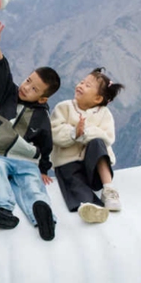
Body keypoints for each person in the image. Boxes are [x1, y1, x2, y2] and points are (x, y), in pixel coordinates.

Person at [0, 21, 62, 241]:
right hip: (0, 155)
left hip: (26, 160)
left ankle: (44, 215)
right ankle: (4, 209)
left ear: (42, 98)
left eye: (34, 89)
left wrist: (43, 169)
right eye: (28, 80)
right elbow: (3, 75)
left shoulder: (42, 117)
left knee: (32, 183)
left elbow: (46, 144)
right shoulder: (8, 96)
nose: (26, 87)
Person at [50, 67, 124, 224]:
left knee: (97, 143)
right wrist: (73, 133)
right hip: (68, 163)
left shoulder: (104, 114)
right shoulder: (63, 108)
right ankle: (89, 207)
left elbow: (107, 137)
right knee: (74, 183)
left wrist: (84, 134)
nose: (81, 85)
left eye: (87, 85)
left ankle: (108, 189)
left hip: (93, 167)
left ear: (97, 98)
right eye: (82, 82)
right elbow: (54, 131)